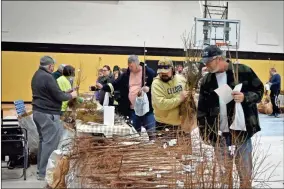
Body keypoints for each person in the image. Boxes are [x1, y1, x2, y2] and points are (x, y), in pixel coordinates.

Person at [197, 45, 264, 188]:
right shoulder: (207, 81)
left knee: (245, 174)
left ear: (219, 58)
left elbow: (259, 91)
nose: (206, 65)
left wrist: (245, 97)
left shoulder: (243, 71)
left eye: (208, 61)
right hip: (219, 135)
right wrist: (204, 133)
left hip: (241, 133)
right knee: (224, 176)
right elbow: (202, 110)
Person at [31, 56, 77, 180]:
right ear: (50, 66)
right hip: (47, 113)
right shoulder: (47, 77)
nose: (53, 68)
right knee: (50, 143)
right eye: (53, 66)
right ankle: (43, 173)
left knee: (44, 141)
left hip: (38, 112)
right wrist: (71, 95)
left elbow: (50, 93)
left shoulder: (37, 75)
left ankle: (40, 170)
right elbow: (57, 95)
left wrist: (66, 92)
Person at [96, 55, 156, 140]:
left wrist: (148, 89)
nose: (130, 68)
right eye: (129, 66)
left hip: (147, 110)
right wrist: (103, 87)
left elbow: (156, 86)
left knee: (152, 134)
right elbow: (115, 84)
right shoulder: (126, 75)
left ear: (137, 64)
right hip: (133, 110)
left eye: (131, 66)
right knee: (134, 135)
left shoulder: (149, 73)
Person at [151, 57, 188, 138]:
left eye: (166, 72)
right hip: (164, 125)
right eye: (161, 72)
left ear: (173, 69)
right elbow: (161, 104)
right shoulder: (156, 84)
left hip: (182, 124)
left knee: (184, 150)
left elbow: (188, 93)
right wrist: (179, 99)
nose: (163, 74)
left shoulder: (181, 79)